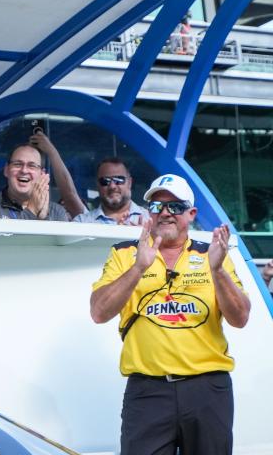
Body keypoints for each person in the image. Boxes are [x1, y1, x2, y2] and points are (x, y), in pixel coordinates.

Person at [90, 174, 250, 454]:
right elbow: (99, 312)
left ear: (191, 213)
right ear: (148, 212)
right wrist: (138, 268)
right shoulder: (125, 254)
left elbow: (240, 318)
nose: (165, 213)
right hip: (148, 391)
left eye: (175, 206)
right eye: (156, 206)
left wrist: (218, 271)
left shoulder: (213, 254)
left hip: (207, 389)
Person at [0, 144, 70, 220]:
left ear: (42, 174)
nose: (24, 170)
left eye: (32, 166)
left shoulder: (57, 211)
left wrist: (43, 219)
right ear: (6, 170)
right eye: (17, 164)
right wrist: (32, 210)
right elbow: (1, 246)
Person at [74, 157, 149, 225]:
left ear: (130, 182)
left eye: (119, 180)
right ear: (98, 185)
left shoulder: (150, 218)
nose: (112, 186)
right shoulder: (82, 223)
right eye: (105, 181)